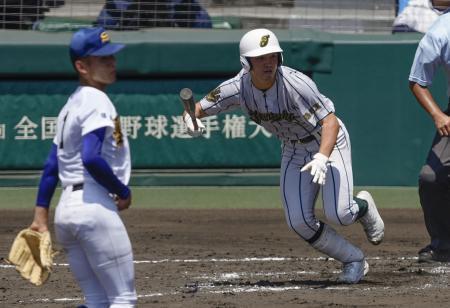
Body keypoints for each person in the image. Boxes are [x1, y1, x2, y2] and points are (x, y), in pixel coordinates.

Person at [183, 28, 385, 284]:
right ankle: (353, 259)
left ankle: (363, 207)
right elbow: (197, 109)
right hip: (293, 148)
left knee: (340, 214)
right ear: (246, 62)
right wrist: (190, 122)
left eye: (272, 56)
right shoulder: (237, 87)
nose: (268, 62)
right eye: (260, 57)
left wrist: (322, 157)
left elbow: (330, 122)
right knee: (299, 221)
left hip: (327, 142)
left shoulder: (296, 84)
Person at [29, 27, 137, 307]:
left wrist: (41, 215)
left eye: (111, 57)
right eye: (102, 59)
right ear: (82, 66)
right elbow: (91, 158)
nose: (111, 63)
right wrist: (122, 190)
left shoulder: (70, 105)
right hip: (93, 208)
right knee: (123, 298)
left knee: (97, 301)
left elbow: (52, 165)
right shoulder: (96, 99)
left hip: (66, 213)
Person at [409, 2, 450, 263]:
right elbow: (417, 81)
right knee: (431, 178)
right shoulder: (440, 32)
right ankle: (444, 245)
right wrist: (438, 114)